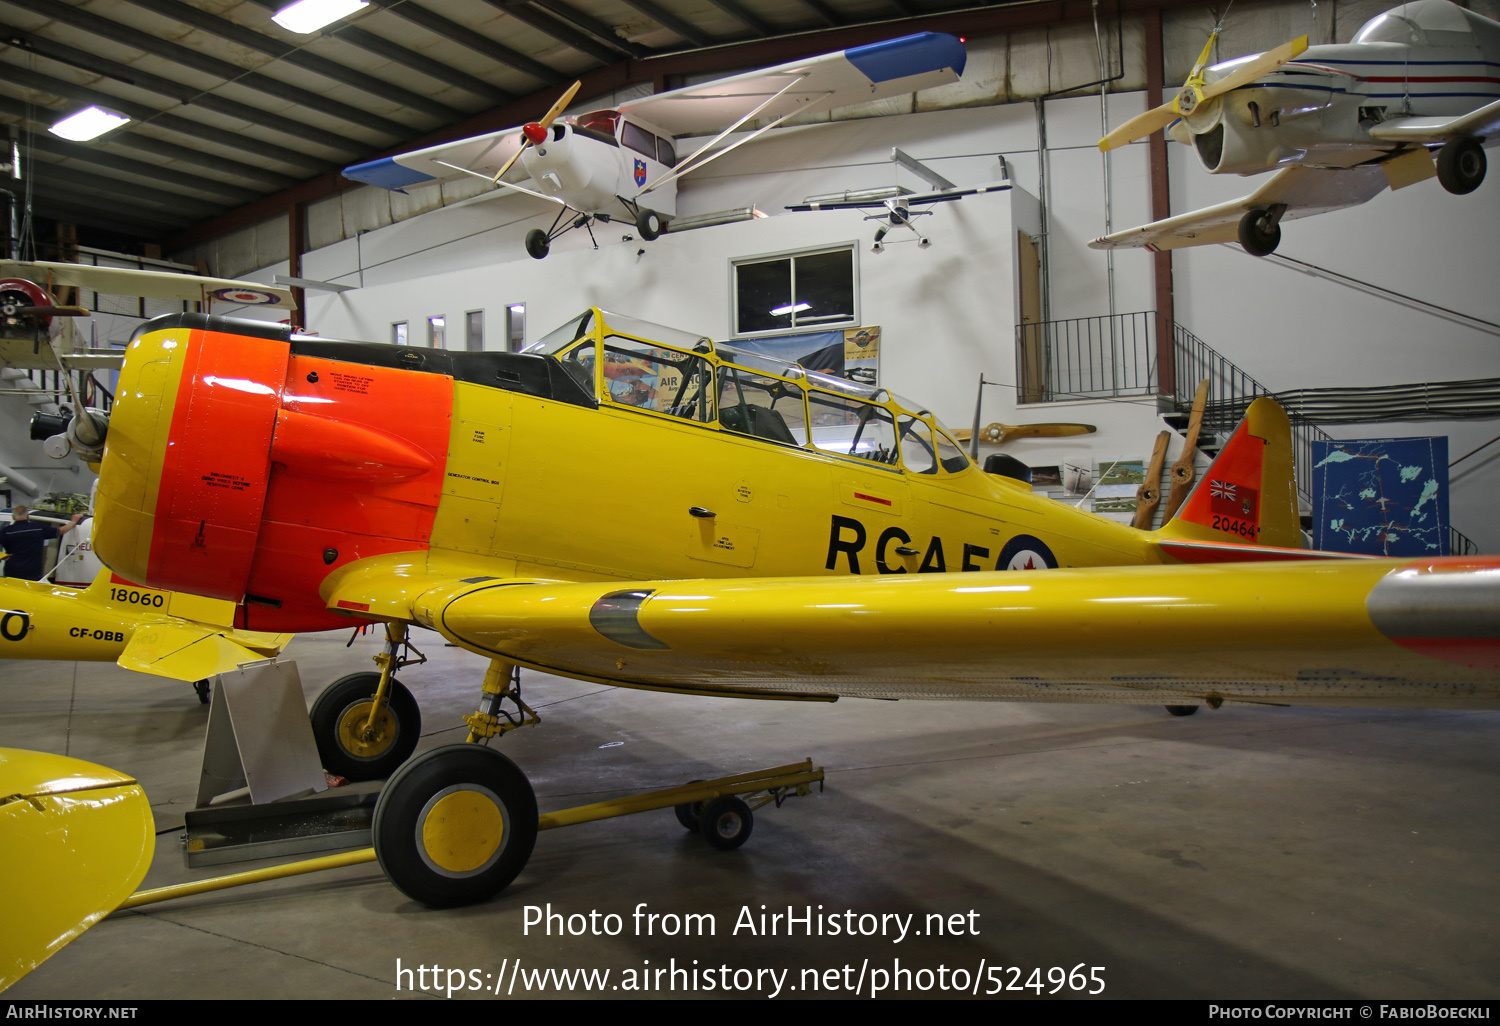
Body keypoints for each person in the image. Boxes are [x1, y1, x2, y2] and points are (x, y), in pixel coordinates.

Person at [0, 506, 85, 581]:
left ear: (13, 516)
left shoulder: (7, 531)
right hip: (32, 570)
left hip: (12, 569)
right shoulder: (38, 529)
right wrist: (73, 521)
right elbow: (60, 531)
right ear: (27, 516)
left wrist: (2, 556)